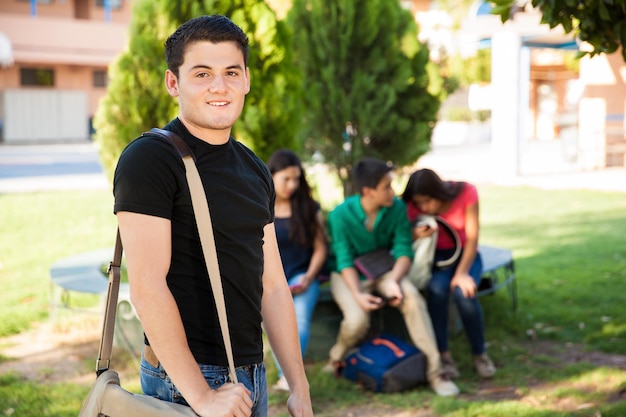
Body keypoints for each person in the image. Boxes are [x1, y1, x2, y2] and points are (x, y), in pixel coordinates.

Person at [113, 15, 313, 417]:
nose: (219, 86)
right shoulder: (151, 158)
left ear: (246, 80)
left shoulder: (254, 168)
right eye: (202, 73)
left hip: (250, 375)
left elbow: (272, 285)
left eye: (230, 72)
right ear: (174, 83)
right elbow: (147, 287)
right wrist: (203, 397)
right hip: (186, 381)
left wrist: (299, 385)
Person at [325, 158, 459, 397]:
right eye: (386, 186)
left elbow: (403, 250)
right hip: (350, 275)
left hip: (387, 270)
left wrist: (394, 280)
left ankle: (435, 372)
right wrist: (358, 295)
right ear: (368, 191)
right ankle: (336, 357)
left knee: (414, 300)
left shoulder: (396, 208)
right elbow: (344, 260)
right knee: (357, 320)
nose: (392, 191)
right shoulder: (339, 216)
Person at [402, 168, 496, 379]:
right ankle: (444, 356)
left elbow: (473, 240)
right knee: (437, 290)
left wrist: (462, 274)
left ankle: (480, 354)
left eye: (427, 201)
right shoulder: (413, 205)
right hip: (436, 258)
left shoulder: (466, 192)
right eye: (419, 203)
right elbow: (402, 235)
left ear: (438, 192)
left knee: (465, 293)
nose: (424, 207)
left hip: (466, 254)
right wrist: (415, 234)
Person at [266, 149, 327, 392]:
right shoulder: (261, 206)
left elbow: (321, 249)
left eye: (297, 179)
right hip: (269, 280)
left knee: (299, 321)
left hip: (303, 276)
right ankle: (289, 376)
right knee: (273, 323)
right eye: (286, 179)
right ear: (271, 176)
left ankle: (287, 378)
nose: (293, 185)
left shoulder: (309, 208)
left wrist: (309, 277)